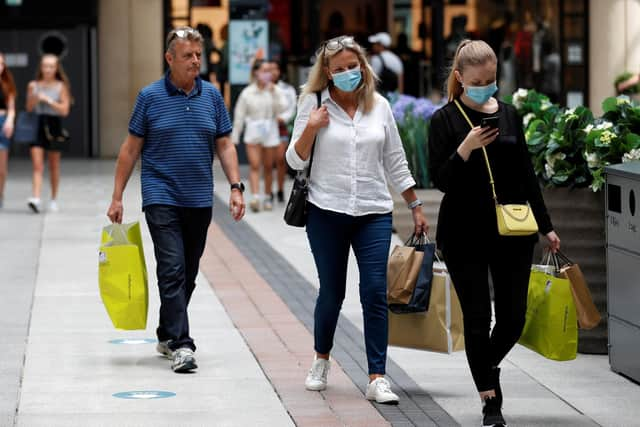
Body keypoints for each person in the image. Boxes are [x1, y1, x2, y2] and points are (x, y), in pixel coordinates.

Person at [286, 35, 428, 404]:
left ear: (364, 67)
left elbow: (395, 160)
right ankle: (321, 359)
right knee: (331, 293)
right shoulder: (312, 104)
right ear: (328, 74)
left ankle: (377, 376)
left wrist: (414, 204)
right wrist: (312, 127)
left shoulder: (379, 106)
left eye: (354, 66)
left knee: (374, 293)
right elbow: (294, 160)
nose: (349, 73)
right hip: (326, 210)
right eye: (340, 69)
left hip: (373, 212)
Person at [428, 39, 561, 427]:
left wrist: (547, 226)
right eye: (478, 80)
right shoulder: (444, 120)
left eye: (491, 79)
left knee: (513, 317)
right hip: (463, 232)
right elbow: (441, 180)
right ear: (460, 78)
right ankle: (491, 403)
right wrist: (466, 147)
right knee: (477, 316)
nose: (487, 86)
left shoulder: (510, 114)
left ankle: (485, 365)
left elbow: (526, 175)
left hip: (513, 230)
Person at [106, 26, 245, 373]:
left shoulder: (212, 96)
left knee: (189, 273)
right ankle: (183, 345)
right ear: (170, 59)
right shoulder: (149, 97)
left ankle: (167, 332)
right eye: (188, 56)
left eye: (198, 55)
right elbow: (130, 148)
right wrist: (117, 196)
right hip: (161, 194)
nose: (195, 61)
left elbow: (225, 144)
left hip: (199, 198)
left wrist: (235, 186)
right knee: (172, 270)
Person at [231, 59, 286, 212]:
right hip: (253, 130)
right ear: (256, 72)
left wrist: (273, 91)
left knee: (269, 166)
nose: (267, 74)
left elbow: (282, 108)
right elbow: (239, 115)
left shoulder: (275, 90)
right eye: (264, 70)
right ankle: (255, 197)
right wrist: (235, 137)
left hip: (270, 130)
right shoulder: (247, 92)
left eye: (269, 71)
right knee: (255, 165)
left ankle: (268, 196)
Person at [25, 54, 71, 213]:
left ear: (56, 68)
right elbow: (29, 108)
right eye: (45, 66)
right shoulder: (33, 85)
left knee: (53, 165)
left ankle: (53, 199)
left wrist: (48, 100)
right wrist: (35, 99)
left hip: (54, 125)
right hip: (37, 124)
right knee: (37, 165)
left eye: (51, 66)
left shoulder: (61, 86)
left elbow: (65, 110)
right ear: (41, 67)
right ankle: (36, 198)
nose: (48, 69)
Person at [268, 59, 297, 203]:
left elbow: (291, 108)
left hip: (280, 127)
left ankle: (279, 189)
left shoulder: (287, 89)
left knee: (280, 159)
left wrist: (282, 118)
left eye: (275, 68)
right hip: (264, 129)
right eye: (268, 69)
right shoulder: (259, 89)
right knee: (267, 162)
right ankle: (268, 192)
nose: (272, 72)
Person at [0, 52, 16, 209]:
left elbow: (11, 108)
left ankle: (0, 194)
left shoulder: (6, 84)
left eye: (1, 64)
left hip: (2, 122)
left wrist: (10, 122)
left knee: (2, 167)